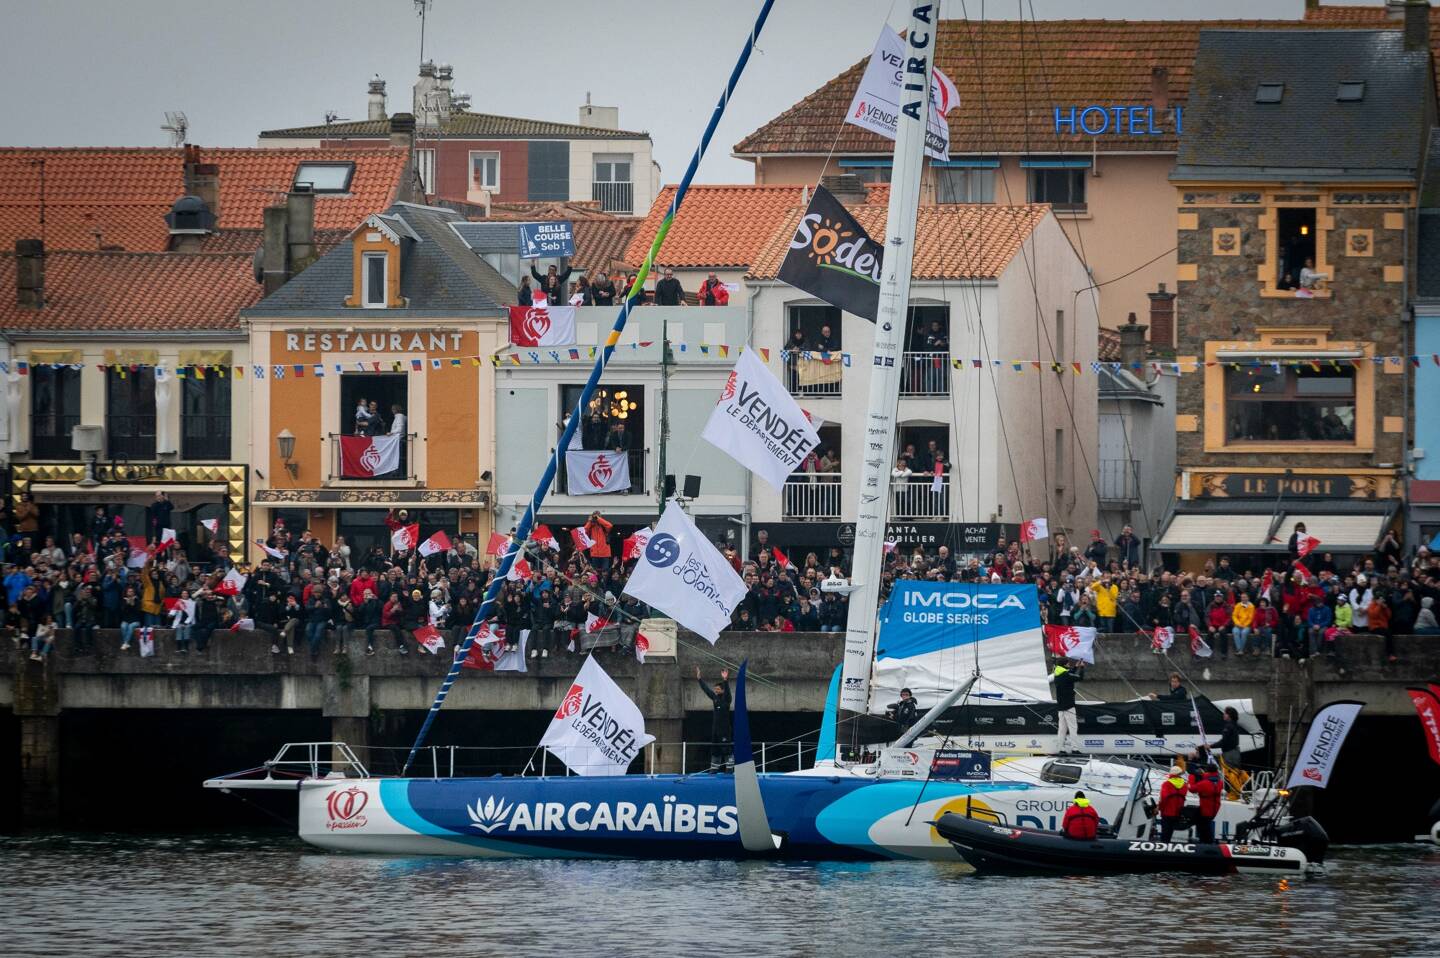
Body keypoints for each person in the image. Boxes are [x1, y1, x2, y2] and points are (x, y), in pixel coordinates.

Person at [696, 666, 732, 770]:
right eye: (715, 689)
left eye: (718, 689)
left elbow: (728, 692)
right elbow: (707, 690)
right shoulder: (715, 698)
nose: (715, 691)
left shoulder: (727, 699)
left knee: (726, 749)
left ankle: (729, 769)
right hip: (715, 730)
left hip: (725, 730)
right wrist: (699, 679)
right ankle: (714, 769)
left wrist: (725, 680)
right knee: (715, 750)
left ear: (722, 690)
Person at [1049, 658, 1083, 752]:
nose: (1069, 665)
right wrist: (1082, 668)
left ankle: (1061, 749)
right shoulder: (1065, 674)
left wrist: (1076, 667)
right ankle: (1075, 749)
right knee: (1073, 728)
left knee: (1062, 729)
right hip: (1069, 706)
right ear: (1064, 664)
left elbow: (1069, 674)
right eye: (1068, 663)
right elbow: (1080, 678)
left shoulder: (1057, 674)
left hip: (1060, 707)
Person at [1189, 762, 1223, 843]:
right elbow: (1209, 780)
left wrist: (1191, 777)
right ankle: (1206, 841)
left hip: (1206, 807)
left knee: (1203, 825)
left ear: (1208, 771)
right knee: (1204, 823)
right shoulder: (1220, 782)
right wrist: (1203, 775)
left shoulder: (1204, 783)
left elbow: (1192, 789)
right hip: (1215, 807)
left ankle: (1207, 843)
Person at [1157, 764, 1189, 841]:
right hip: (1178, 813)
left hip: (1167, 812)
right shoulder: (1184, 785)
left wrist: (1158, 808)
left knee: (1165, 834)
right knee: (1170, 832)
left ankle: (1164, 849)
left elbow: (1163, 799)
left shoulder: (1166, 784)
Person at [1212, 706, 1243, 770]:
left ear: (1229, 715)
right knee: (1234, 773)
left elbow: (1224, 742)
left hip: (1229, 754)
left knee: (1227, 774)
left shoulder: (1228, 726)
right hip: (1235, 753)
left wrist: (1210, 746)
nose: (1223, 715)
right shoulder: (1235, 725)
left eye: (1225, 713)